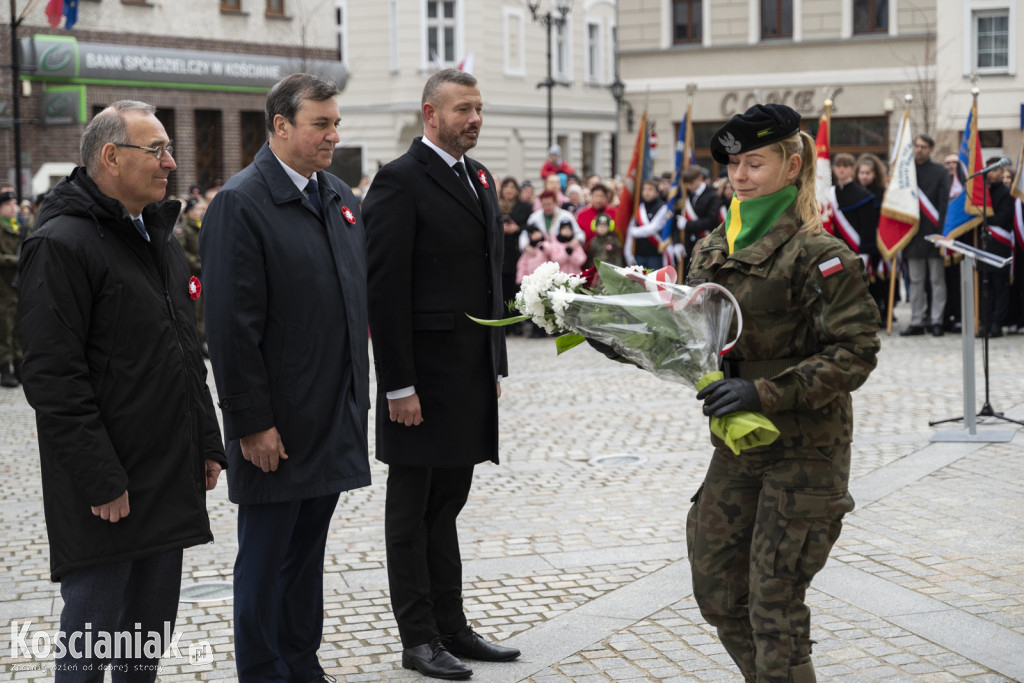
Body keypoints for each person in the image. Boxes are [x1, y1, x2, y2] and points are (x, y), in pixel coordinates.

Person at [17, 100, 226, 680]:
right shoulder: (61, 243)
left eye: (167, 148)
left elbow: (185, 348)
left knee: (144, 643)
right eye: (155, 149)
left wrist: (206, 440)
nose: (171, 161)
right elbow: (53, 377)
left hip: (165, 472)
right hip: (107, 490)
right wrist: (101, 478)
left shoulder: (156, 234)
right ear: (111, 157)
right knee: (91, 638)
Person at [687, 103, 880, 683]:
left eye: (754, 163)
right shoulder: (712, 248)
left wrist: (762, 392)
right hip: (740, 447)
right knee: (718, 587)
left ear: (792, 166)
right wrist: (615, 333)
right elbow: (690, 336)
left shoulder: (820, 255)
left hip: (805, 452)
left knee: (774, 602)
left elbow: (855, 353)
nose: (739, 176)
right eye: (733, 165)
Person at [199, 73, 371, 682]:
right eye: (320, 124)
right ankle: (265, 670)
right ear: (280, 127)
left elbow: (351, 306)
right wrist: (251, 422)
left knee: (306, 559)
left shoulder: (339, 197)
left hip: (331, 417)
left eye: (335, 122)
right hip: (277, 428)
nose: (332, 134)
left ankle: (302, 661)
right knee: (267, 559)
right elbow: (230, 327)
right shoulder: (241, 203)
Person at [362, 68, 519, 681]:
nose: (474, 119)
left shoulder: (478, 176)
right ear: (431, 114)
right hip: (420, 384)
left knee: (447, 508)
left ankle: (453, 627)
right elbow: (384, 289)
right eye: (463, 110)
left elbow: (490, 276)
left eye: (478, 108)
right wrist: (398, 385)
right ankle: (418, 636)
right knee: (411, 513)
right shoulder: (400, 182)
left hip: (467, 377)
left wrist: (495, 362)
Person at [900, 134, 951, 337]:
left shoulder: (940, 172)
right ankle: (917, 320)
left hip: (934, 233)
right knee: (915, 281)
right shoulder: (905, 171)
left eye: (923, 146)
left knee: (937, 280)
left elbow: (943, 204)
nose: (918, 149)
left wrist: (942, 233)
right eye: (916, 146)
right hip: (912, 234)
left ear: (931, 149)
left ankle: (937, 320)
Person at [978, 157, 1014, 337]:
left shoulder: (1007, 194)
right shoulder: (982, 192)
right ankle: (984, 320)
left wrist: (984, 219)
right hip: (983, 246)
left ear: (1001, 172)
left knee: (1000, 287)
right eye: (988, 170)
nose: (991, 174)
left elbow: (1002, 218)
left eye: (994, 170)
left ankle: (996, 322)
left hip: (1000, 245)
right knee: (986, 287)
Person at [855, 153, 892, 318]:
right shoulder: (855, 192)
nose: (864, 176)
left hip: (878, 241)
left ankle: (884, 311)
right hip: (860, 241)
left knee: (880, 279)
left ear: (875, 174)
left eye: (867, 173)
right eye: (861, 173)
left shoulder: (882, 193)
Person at [173, 197, 207, 353]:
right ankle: (196, 344)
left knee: (203, 311)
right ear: (190, 212)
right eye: (199, 209)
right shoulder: (184, 229)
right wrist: (199, 263)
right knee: (195, 310)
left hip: (203, 274)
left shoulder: (202, 226)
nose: (202, 212)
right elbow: (181, 252)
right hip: (192, 277)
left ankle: (202, 341)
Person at [678, 166, 724, 276]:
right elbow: (678, 219)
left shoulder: (712, 195)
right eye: (686, 183)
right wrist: (677, 242)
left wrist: (688, 225)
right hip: (688, 244)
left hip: (705, 242)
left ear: (700, 178)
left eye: (691, 182)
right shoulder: (686, 196)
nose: (688, 186)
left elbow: (711, 220)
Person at [0, 190, 22, 387]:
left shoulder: (17, 227)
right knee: (5, 330)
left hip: (16, 287)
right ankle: (5, 370)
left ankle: (19, 366)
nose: (14, 207)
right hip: (3, 288)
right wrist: (14, 260)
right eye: (10, 204)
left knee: (17, 329)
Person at [624, 179, 666, 270]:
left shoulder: (662, 207)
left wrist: (635, 231)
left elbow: (654, 227)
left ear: (657, 192)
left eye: (650, 189)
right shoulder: (639, 207)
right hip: (639, 252)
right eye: (644, 189)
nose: (646, 192)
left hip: (654, 253)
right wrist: (628, 253)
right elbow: (630, 229)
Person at [576, 182, 616, 247]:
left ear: (607, 198)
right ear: (591, 197)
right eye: (596, 196)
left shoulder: (614, 213)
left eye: (602, 196)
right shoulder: (582, 215)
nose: (599, 199)